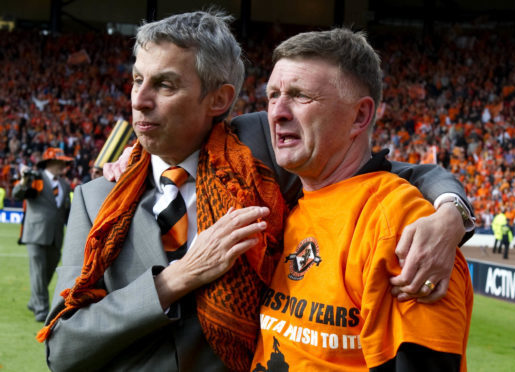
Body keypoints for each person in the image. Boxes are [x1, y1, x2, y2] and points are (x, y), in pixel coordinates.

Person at [43, 10, 472, 372]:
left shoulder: (262, 149)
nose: (138, 100)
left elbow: (397, 172)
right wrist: (175, 280)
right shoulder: (100, 197)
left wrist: (450, 214)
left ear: (219, 99)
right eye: (137, 80)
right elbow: (61, 348)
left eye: (165, 85)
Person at [251, 28, 473, 371]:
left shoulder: (404, 228)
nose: (277, 113)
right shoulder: (280, 196)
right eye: (272, 95)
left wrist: (452, 211)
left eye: (300, 96)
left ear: (360, 116)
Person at [12, 147, 72, 322]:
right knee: (38, 272)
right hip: (35, 233)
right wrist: (24, 180)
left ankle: (34, 300)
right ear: (51, 162)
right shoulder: (34, 178)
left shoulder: (65, 184)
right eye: (62, 161)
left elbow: (65, 210)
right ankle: (41, 309)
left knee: (47, 272)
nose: (64, 165)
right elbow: (17, 194)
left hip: (56, 235)